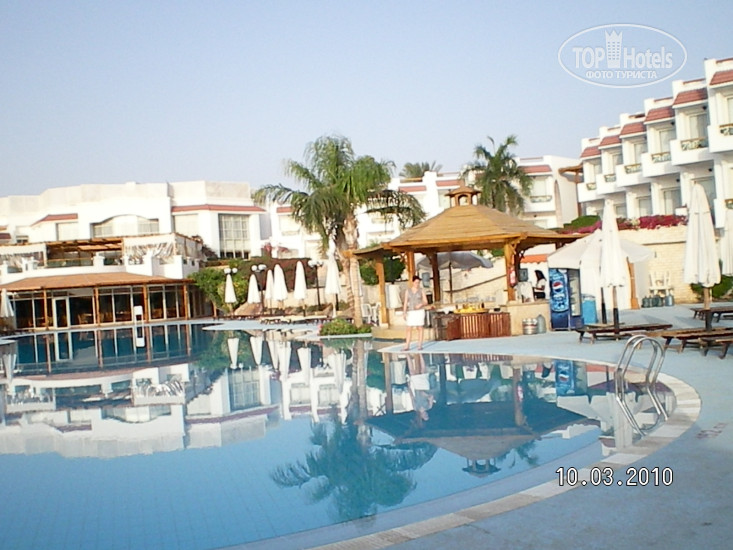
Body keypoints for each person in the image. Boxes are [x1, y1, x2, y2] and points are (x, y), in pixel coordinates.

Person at [402, 275, 428, 350]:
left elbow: (425, 301)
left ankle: (419, 345)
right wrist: (404, 312)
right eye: (416, 282)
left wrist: (421, 304)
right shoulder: (408, 291)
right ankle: (407, 345)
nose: (417, 284)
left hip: (419, 311)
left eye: (418, 283)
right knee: (409, 328)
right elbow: (405, 302)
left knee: (419, 327)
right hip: (411, 311)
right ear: (413, 282)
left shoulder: (421, 290)